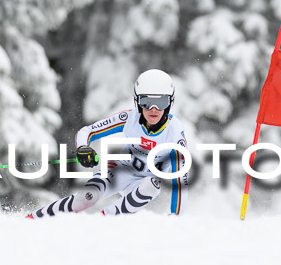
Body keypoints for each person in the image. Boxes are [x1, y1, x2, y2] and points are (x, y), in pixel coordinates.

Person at [27, 69, 189, 218]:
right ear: (137, 102)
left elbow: (180, 184)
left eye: (160, 102)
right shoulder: (129, 119)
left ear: (170, 103)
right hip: (119, 171)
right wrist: (83, 148)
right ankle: (34, 219)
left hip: (143, 184)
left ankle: (107, 219)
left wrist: (175, 217)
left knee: (152, 184)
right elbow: (87, 131)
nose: (153, 109)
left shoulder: (175, 136)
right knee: (86, 198)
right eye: (146, 102)